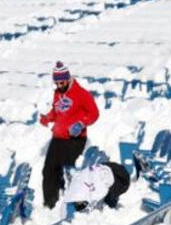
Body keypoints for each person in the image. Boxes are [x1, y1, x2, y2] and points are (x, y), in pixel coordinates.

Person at [39, 61, 99, 209]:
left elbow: (94, 113)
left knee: (68, 170)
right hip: (58, 138)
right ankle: (50, 204)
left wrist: (81, 123)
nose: (59, 85)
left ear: (67, 78)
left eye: (61, 82)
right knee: (49, 170)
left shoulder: (81, 94)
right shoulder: (57, 93)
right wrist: (48, 117)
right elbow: (56, 112)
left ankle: (74, 203)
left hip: (75, 139)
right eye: (56, 83)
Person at [62, 161, 131, 212]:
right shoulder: (81, 182)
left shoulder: (100, 190)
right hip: (111, 170)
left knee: (108, 202)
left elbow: (99, 193)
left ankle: (111, 207)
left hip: (120, 178)